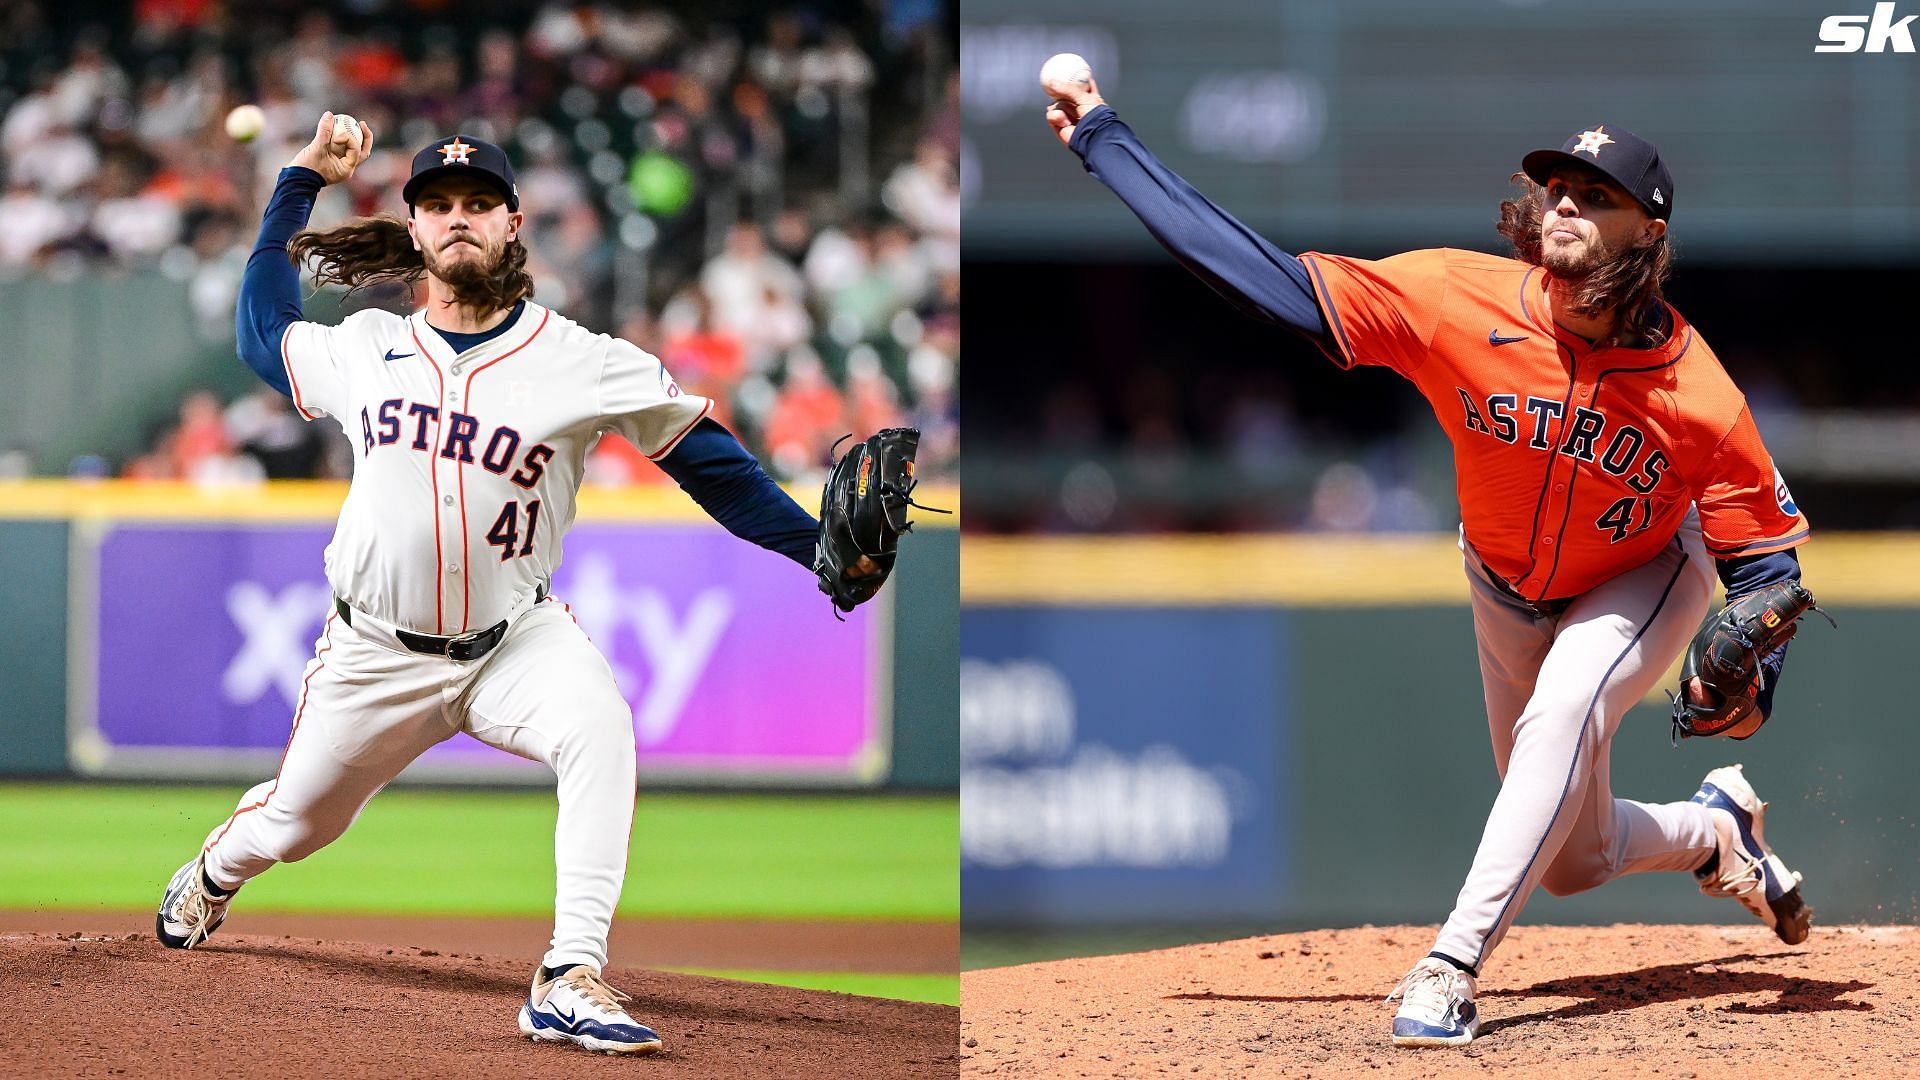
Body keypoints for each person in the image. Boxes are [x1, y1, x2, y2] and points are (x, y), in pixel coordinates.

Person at [1044, 72, 1814, 1048]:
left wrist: (1758, 690)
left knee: (1566, 709)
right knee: (1577, 857)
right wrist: (1104, 138)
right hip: (1500, 582)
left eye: (1597, 193)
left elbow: (1766, 567)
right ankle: (1715, 832)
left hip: (1643, 573)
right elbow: (1268, 281)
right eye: (1558, 188)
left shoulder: (1698, 392)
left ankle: (1449, 966)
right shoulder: (1457, 297)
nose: (1566, 202)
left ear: (1648, 235)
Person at [155, 113, 878, 1056]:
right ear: (414, 230)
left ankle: (570, 973)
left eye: (479, 204)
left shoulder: (582, 359)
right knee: (294, 826)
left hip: (514, 641)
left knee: (601, 730)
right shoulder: (365, 347)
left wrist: (821, 545)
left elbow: (717, 468)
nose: (459, 217)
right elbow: (261, 331)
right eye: (439, 205)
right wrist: (299, 180)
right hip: (373, 653)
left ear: (513, 222)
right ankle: (214, 870)